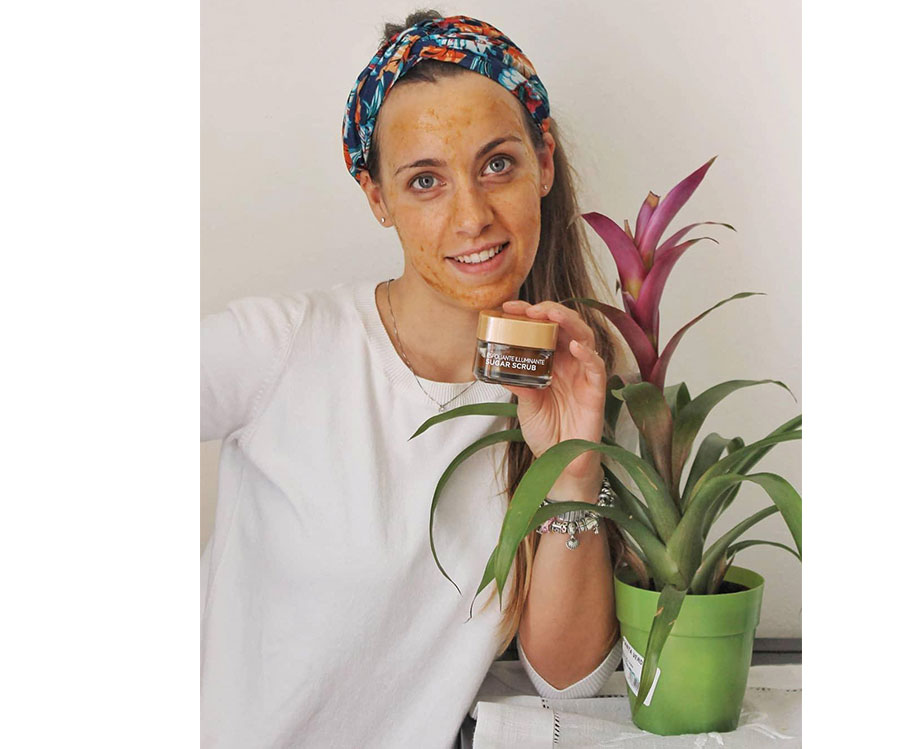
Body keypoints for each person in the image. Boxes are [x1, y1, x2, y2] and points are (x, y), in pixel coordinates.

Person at [201, 10, 643, 748]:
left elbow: (567, 681)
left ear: (543, 162)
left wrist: (571, 466)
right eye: (426, 181)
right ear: (377, 197)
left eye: (497, 165)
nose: (472, 216)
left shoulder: (579, 377)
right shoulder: (283, 347)